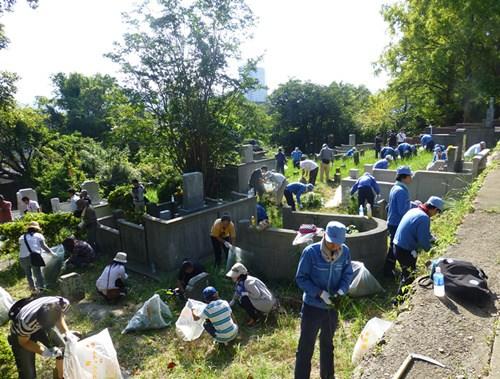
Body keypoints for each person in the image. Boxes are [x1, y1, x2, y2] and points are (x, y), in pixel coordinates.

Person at [294, 221, 353, 379]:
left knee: (327, 345)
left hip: (331, 308)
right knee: (306, 346)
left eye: (338, 243)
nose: (335, 246)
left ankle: (328, 376)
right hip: (312, 307)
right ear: (325, 236)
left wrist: (341, 290)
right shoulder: (311, 252)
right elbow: (301, 278)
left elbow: (348, 274)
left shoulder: (345, 252)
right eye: (332, 242)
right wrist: (319, 293)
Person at [8, 296, 77, 379]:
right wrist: (44, 352)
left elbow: (60, 318)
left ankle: (59, 376)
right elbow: (24, 343)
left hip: (42, 323)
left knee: (64, 349)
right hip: (21, 336)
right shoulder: (25, 323)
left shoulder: (62, 303)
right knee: (28, 374)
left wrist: (67, 333)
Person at [393, 196, 444, 295]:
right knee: (408, 277)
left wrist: (433, 239)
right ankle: (398, 301)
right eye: (437, 212)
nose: (436, 214)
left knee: (409, 272)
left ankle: (404, 296)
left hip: (397, 246)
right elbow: (423, 240)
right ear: (434, 208)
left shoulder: (415, 210)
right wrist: (431, 249)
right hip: (404, 250)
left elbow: (423, 232)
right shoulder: (424, 218)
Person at [383, 166, 419, 277]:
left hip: (393, 221)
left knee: (393, 246)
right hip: (397, 223)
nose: (411, 178)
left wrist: (412, 204)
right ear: (404, 177)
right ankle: (398, 270)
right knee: (398, 247)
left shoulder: (396, 187)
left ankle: (388, 270)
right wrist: (414, 207)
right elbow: (402, 210)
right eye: (410, 176)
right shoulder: (401, 191)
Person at [19, 221, 57, 293]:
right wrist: (52, 253)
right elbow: (44, 246)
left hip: (22, 258)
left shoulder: (21, 237)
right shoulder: (39, 235)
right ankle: (41, 289)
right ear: (36, 229)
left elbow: (22, 247)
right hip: (33, 257)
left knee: (28, 275)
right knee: (37, 273)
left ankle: (33, 290)